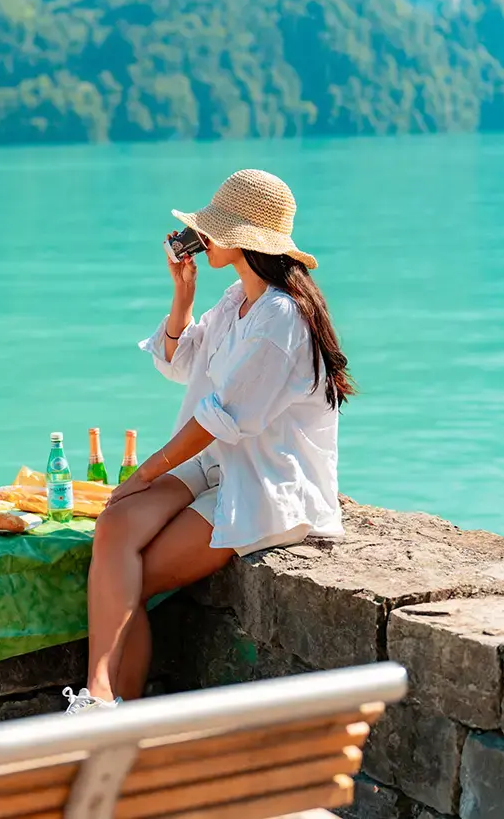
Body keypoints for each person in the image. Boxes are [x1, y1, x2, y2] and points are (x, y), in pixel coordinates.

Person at [63, 169, 354, 714]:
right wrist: (182, 295)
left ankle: (100, 705)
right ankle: (100, 701)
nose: (205, 237)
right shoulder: (235, 300)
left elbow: (224, 418)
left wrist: (146, 472)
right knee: (116, 523)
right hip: (217, 463)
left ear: (243, 240)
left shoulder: (281, 317)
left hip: (263, 480)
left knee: (129, 582)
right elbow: (180, 364)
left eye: (214, 229)